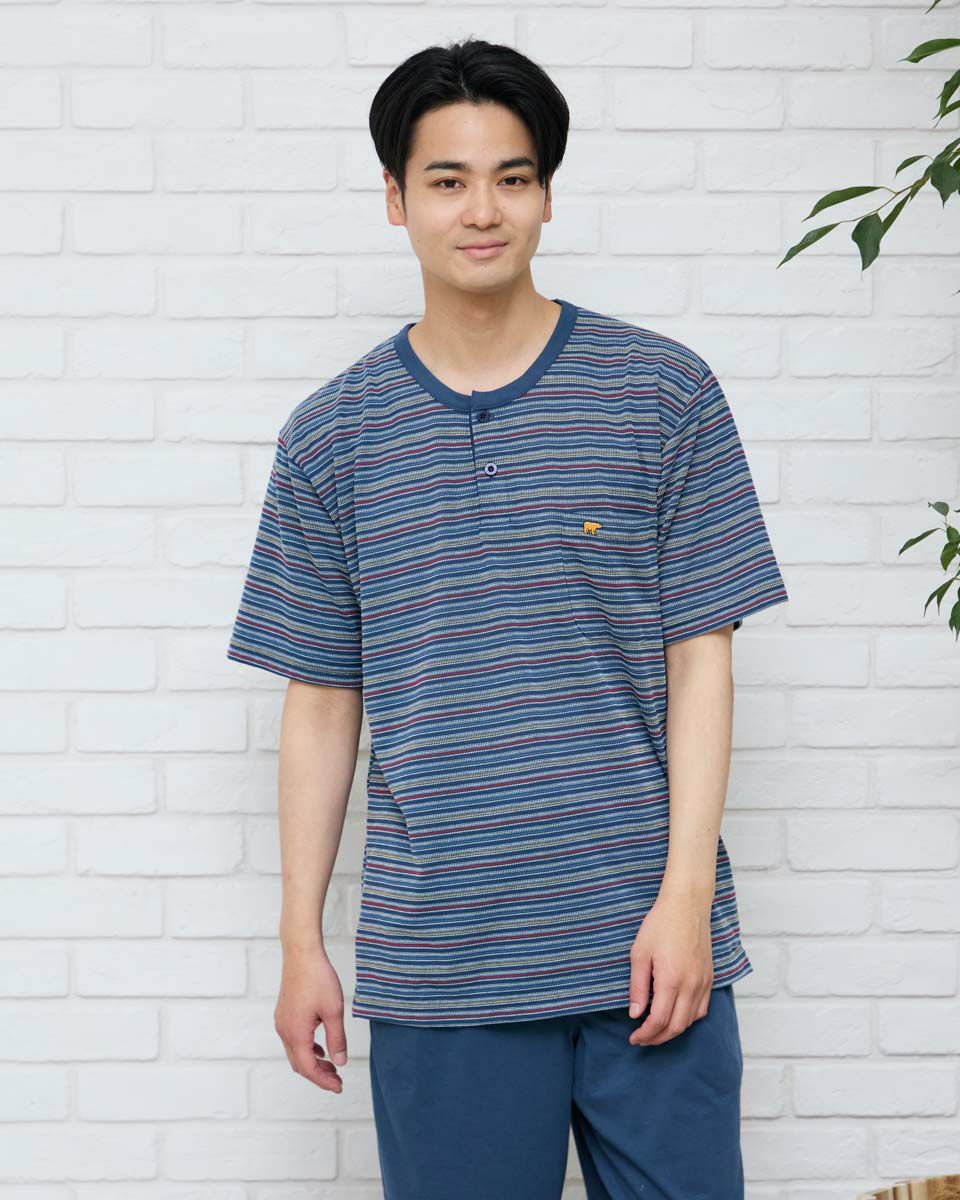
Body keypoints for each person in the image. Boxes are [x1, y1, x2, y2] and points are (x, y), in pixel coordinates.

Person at [226, 35, 789, 1200]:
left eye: (512, 177)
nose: (483, 210)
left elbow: (703, 662)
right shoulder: (332, 437)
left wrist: (687, 899)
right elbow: (322, 701)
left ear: (546, 194)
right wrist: (299, 943)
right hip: (443, 970)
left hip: (648, 952)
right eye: (448, 180)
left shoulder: (663, 393)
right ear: (396, 198)